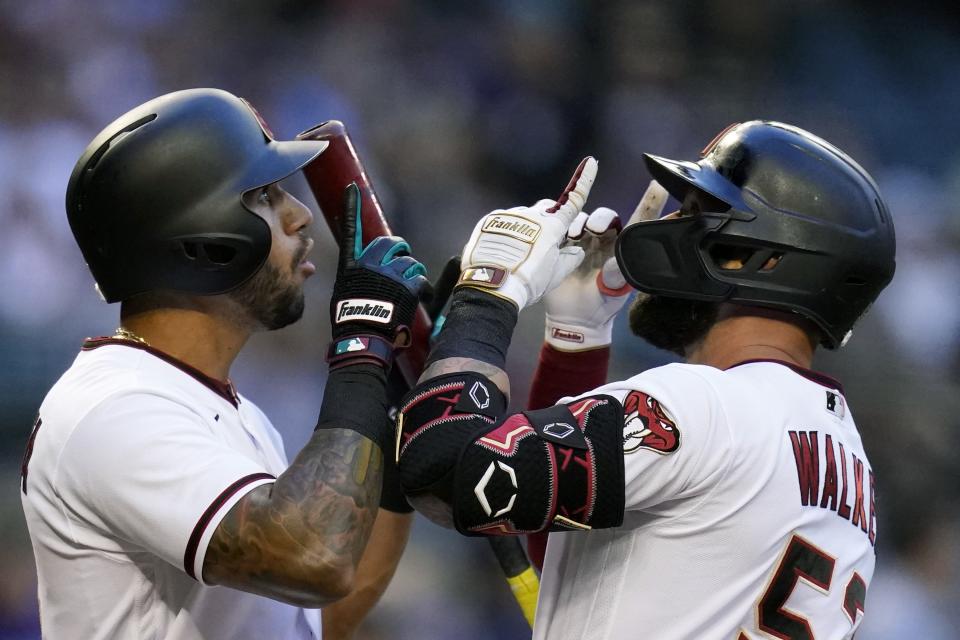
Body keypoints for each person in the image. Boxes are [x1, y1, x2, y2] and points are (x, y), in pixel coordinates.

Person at [393, 121, 896, 638]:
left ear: (760, 256)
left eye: (699, 212)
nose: (670, 222)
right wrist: (576, 339)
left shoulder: (704, 403)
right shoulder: (851, 464)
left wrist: (488, 295)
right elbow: (575, 548)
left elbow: (445, 472)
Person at [19, 88, 427, 640]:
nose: (301, 215)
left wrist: (394, 401)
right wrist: (361, 344)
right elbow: (313, 558)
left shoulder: (228, 411)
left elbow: (324, 610)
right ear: (200, 237)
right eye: (264, 195)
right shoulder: (113, 408)